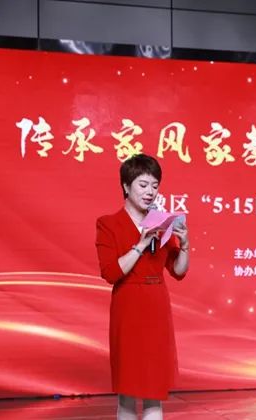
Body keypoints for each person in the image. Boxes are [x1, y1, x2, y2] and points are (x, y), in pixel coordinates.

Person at [95, 154, 190, 420]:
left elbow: (178, 271)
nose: (150, 192)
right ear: (126, 186)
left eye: (155, 186)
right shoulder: (108, 223)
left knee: (153, 391)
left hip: (156, 306)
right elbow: (111, 273)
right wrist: (140, 244)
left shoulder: (161, 221)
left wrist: (184, 245)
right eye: (143, 185)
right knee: (128, 392)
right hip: (128, 307)